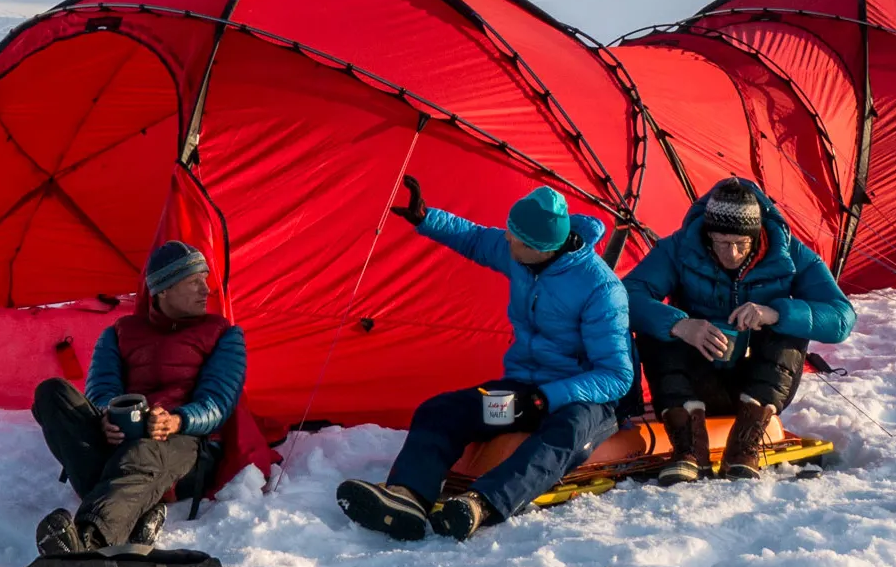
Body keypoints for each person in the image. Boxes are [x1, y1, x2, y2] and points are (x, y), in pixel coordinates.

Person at [336, 179, 632, 542]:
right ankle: (408, 497)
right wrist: (426, 218)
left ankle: (481, 504)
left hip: (585, 401)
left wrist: (546, 398)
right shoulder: (521, 254)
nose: (507, 240)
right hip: (522, 393)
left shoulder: (600, 288)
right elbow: (476, 239)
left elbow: (616, 375)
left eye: (515, 238)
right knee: (443, 410)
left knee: (561, 435)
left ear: (541, 248)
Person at [624, 178, 853, 482]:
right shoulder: (680, 248)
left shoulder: (790, 255)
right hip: (697, 380)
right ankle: (689, 450)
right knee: (659, 329)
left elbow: (841, 318)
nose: (731, 254)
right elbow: (626, 295)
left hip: (756, 385)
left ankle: (745, 445)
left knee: (790, 326)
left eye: (740, 244)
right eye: (721, 243)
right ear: (708, 235)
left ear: (756, 236)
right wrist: (681, 325)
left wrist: (775, 313)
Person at [31, 240, 247, 555]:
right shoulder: (119, 332)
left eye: (205, 280)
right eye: (193, 282)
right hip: (121, 441)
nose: (205, 289)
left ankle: (89, 539)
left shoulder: (224, 333)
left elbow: (218, 401)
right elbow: (102, 389)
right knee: (52, 393)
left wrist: (177, 420)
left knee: (142, 452)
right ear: (163, 290)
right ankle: (139, 511)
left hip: (184, 443)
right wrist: (108, 417)